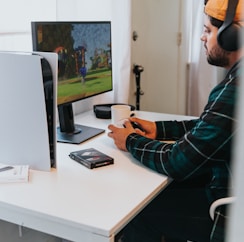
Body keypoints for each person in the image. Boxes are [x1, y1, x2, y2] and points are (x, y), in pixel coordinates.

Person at [108, 0, 244, 241]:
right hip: (229, 187)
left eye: (207, 31)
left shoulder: (236, 88)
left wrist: (130, 141)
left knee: (138, 212)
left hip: (232, 213)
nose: (202, 38)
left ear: (229, 36)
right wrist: (159, 129)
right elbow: (211, 128)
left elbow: (178, 161)